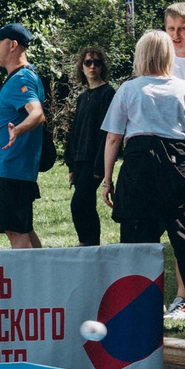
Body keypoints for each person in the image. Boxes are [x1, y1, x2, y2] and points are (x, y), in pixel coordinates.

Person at [99, 30, 185, 318]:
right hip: (177, 169)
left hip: (139, 170)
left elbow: (113, 138)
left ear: (140, 55)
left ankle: (138, 305)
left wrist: (107, 179)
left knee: (136, 244)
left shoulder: (129, 89)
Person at [0, 25, 46, 249]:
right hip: (13, 169)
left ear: (12, 45)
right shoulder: (24, 76)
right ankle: (43, 278)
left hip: (11, 168)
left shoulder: (22, 79)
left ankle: (28, 282)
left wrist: (18, 130)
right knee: (23, 228)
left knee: (15, 231)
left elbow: (37, 113)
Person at [64, 47, 118, 247]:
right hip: (79, 159)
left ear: (103, 66)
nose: (92, 66)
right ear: (82, 67)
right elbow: (75, 131)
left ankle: (85, 242)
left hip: (94, 159)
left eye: (97, 62)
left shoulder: (108, 93)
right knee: (86, 204)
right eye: (88, 62)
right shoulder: (82, 97)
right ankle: (92, 244)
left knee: (78, 204)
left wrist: (99, 167)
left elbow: (108, 133)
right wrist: (70, 164)